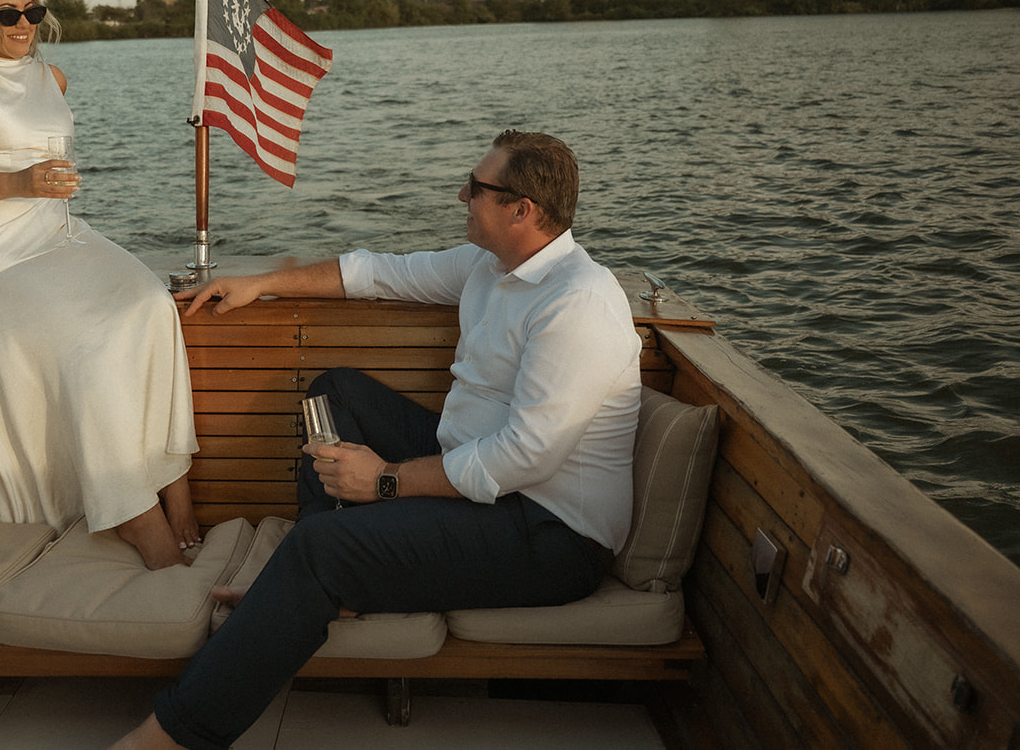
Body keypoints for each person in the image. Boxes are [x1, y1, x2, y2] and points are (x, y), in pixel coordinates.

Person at [113, 129, 642, 748]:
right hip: (470, 468)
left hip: (549, 532)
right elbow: (376, 273)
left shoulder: (577, 303)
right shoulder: (489, 266)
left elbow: (524, 457)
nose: (461, 195)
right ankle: (341, 583)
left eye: (476, 187)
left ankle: (171, 736)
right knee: (333, 391)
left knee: (320, 549)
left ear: (520, 210)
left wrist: (385, 480)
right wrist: (261, 282)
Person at [0, 0, 199, 570]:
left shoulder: (52, 77)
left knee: (150, 306)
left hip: (56, 233)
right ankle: (137, 516)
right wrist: (21, 180)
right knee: (85, 342)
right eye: (8, 14)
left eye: (31, 12)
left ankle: (176, 490)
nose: (23, 24)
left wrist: (40, 190)